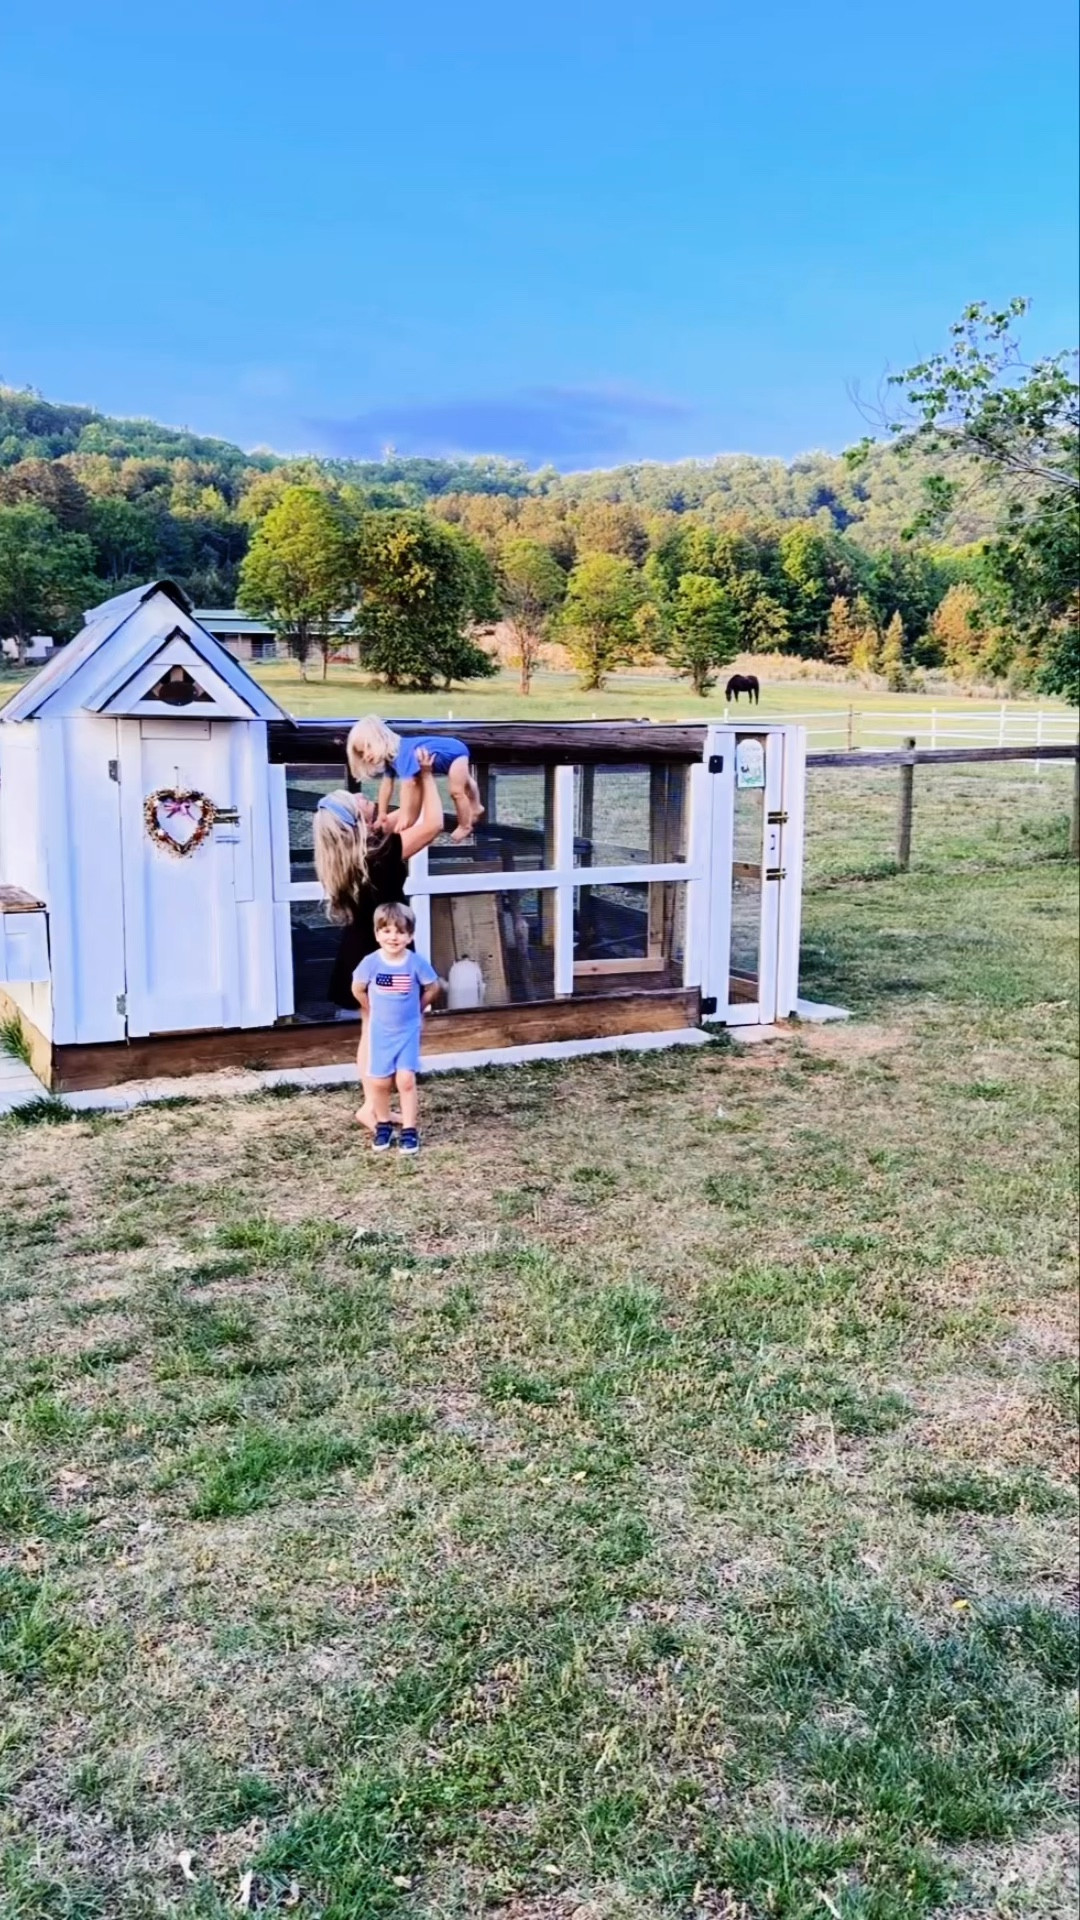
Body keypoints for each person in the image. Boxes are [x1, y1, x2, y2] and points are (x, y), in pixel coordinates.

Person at [312, 747, 443, 1132]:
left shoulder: (352, 857)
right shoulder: (381, 855)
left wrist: (412, 777)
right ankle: (372, 1108)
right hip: (384, 950)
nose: (366, 798)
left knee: (372, 1029)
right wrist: (428, 775)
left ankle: (372, 1105)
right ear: (357, 819)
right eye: (360, 799)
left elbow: (410, 814)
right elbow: (432, 823)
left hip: (359, 949)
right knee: (379, 1032)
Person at [352, 902, 441, 1155]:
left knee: (406, 1080)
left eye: (400, 932)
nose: (393, 937)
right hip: (381, 1032)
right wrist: (370, 1008)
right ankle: (383, 1124)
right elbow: (357, 988)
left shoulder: (415, 963)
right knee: (379, 1082)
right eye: (387, 931)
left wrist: (419, 1007)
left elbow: (433, 988)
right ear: (377, 934)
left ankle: (410, 1130)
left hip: (407, 1031)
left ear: (410, 936)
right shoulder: (370, 963)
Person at [346, 715, 483, 842]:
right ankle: (476, 807)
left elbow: (408, 785)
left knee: (457, 792)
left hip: (455, 753)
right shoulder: (391, 760)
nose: (367, 755)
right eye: (362, 753)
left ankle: (465, 825)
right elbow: (386, 786)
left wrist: (405, 816)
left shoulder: (402, 753)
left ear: (381, 738)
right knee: (466, 782)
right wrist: (382, 813)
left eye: (368, 747)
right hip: (449, 755)